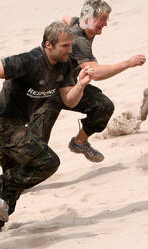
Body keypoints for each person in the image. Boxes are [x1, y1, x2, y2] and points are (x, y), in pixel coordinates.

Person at [0, 21, 94, 236]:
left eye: (71, 45)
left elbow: (70, 101)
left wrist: (80, 85)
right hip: (1, 122)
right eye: (65, 46)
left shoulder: (64, 65)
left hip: (17, 125)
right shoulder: (30, 60)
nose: (70, 50)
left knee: (15, 181)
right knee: (47, 162)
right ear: (48, 45)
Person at [28, 0, 146, 162]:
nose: (105, 24)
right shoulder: (78, 40)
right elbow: (95, 73)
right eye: (103, 19)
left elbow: (66, 17)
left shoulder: (78, 22)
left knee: (103, 106)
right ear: (89, 19)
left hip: (69, 87)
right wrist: (128, 63)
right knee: (34, 152)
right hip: (45, 92)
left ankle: (79, 142)